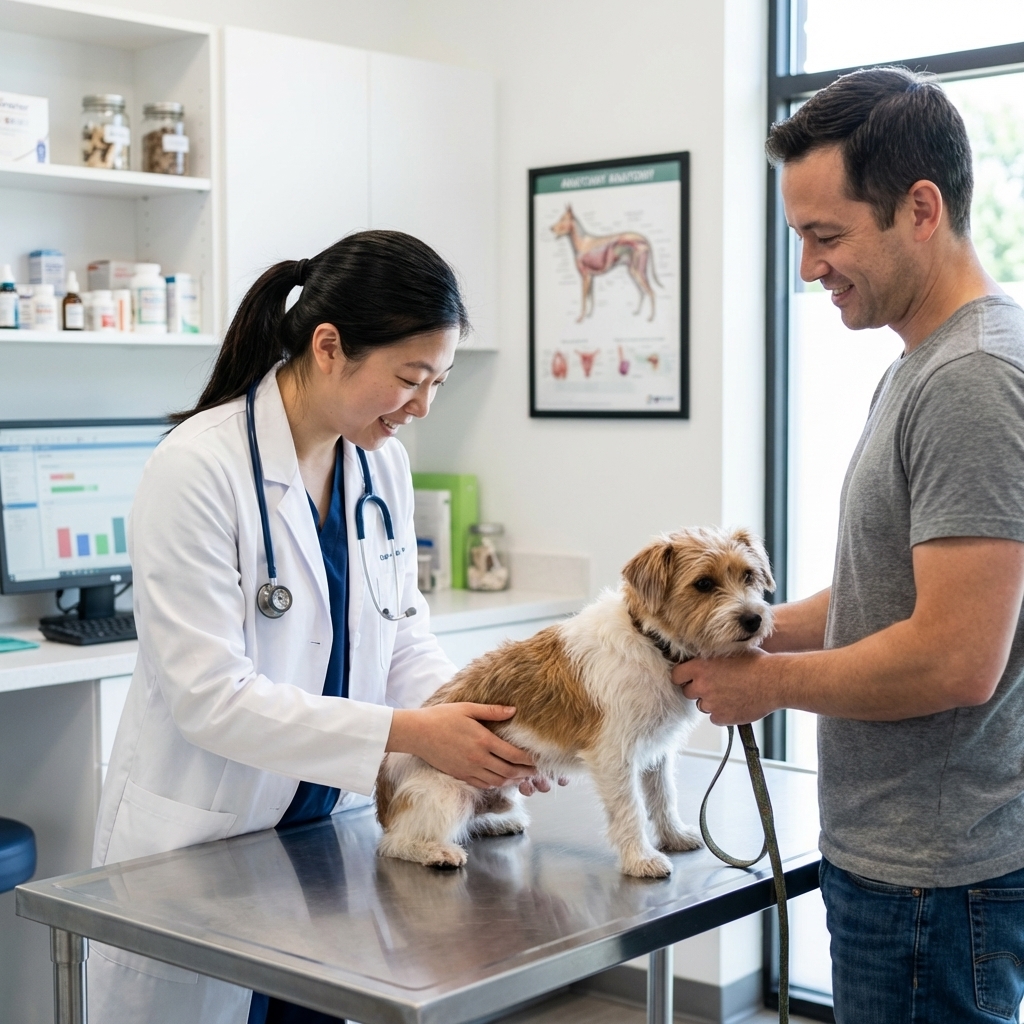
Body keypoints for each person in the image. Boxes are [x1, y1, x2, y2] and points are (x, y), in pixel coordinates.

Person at [89, 231, 547, 1024]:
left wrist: (479, 734)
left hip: (330, 845)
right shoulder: (197, 468)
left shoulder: (380, 466)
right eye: (409, 378)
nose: (422, 406)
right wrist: (416, 732)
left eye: (437, 380)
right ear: (329, 347)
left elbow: (402, 633)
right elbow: (213, 699)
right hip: (208, 851)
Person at [674, 68, 1024, 1022]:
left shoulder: (972, 380)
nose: (808, 268)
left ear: (921, 208)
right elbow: (894, 595)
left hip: (933, 880)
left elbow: (955, 659)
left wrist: (766, 684)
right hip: (912, 866)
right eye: (800, 237)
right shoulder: (928, 364)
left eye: (826, 237)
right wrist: (752, 629)